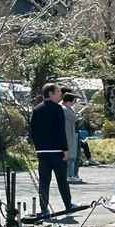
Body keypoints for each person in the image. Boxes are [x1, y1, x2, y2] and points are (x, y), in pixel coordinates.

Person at [29, 83, 79, 217]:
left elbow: (32, 131)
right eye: (58, 92)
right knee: (62, 179)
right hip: (57, 150)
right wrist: (65, 149)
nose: (60, 94)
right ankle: (68, 204)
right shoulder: (58, 109)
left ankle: (44, 209)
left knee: (44, 181)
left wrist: (37, 147)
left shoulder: (36, 109)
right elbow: (60, 131)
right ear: (50, 93)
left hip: (42, 151)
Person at [61, 92, 83, 184]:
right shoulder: (65, 109)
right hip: (68, 134)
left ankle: (71, 174)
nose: (75, 102)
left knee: (73, 155)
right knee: (70, 155)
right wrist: (80, 113)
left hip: (72, 133)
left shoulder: (69, 108)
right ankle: (69, 175)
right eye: (74, 100)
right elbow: (74, 118)